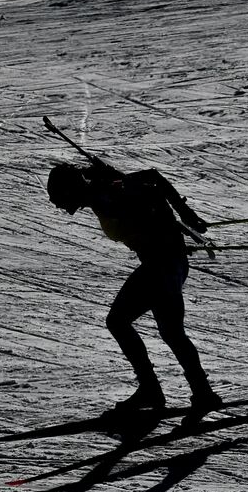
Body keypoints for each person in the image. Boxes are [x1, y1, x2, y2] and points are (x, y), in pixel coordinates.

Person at [47, 158, 222, 412]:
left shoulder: (107, 191)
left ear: (69, 190)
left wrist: (186, 215)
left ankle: (160, 391)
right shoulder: (102, 190)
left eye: (59, 198)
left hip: (163, 265)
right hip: (164, 263)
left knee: (124, 322)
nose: (59, 205)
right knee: (169, 331)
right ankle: (197, 392)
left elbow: (152, 178)